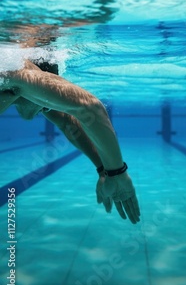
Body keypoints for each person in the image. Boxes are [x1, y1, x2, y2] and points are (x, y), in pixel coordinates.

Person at [0, 59, 140, 224]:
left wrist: (103, 169)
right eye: (44, 105)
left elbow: (67, 122)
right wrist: (118, 173)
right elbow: (89, 107)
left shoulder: (16, 85)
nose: (40, 112)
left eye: (46, 106)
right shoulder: (15, 72)